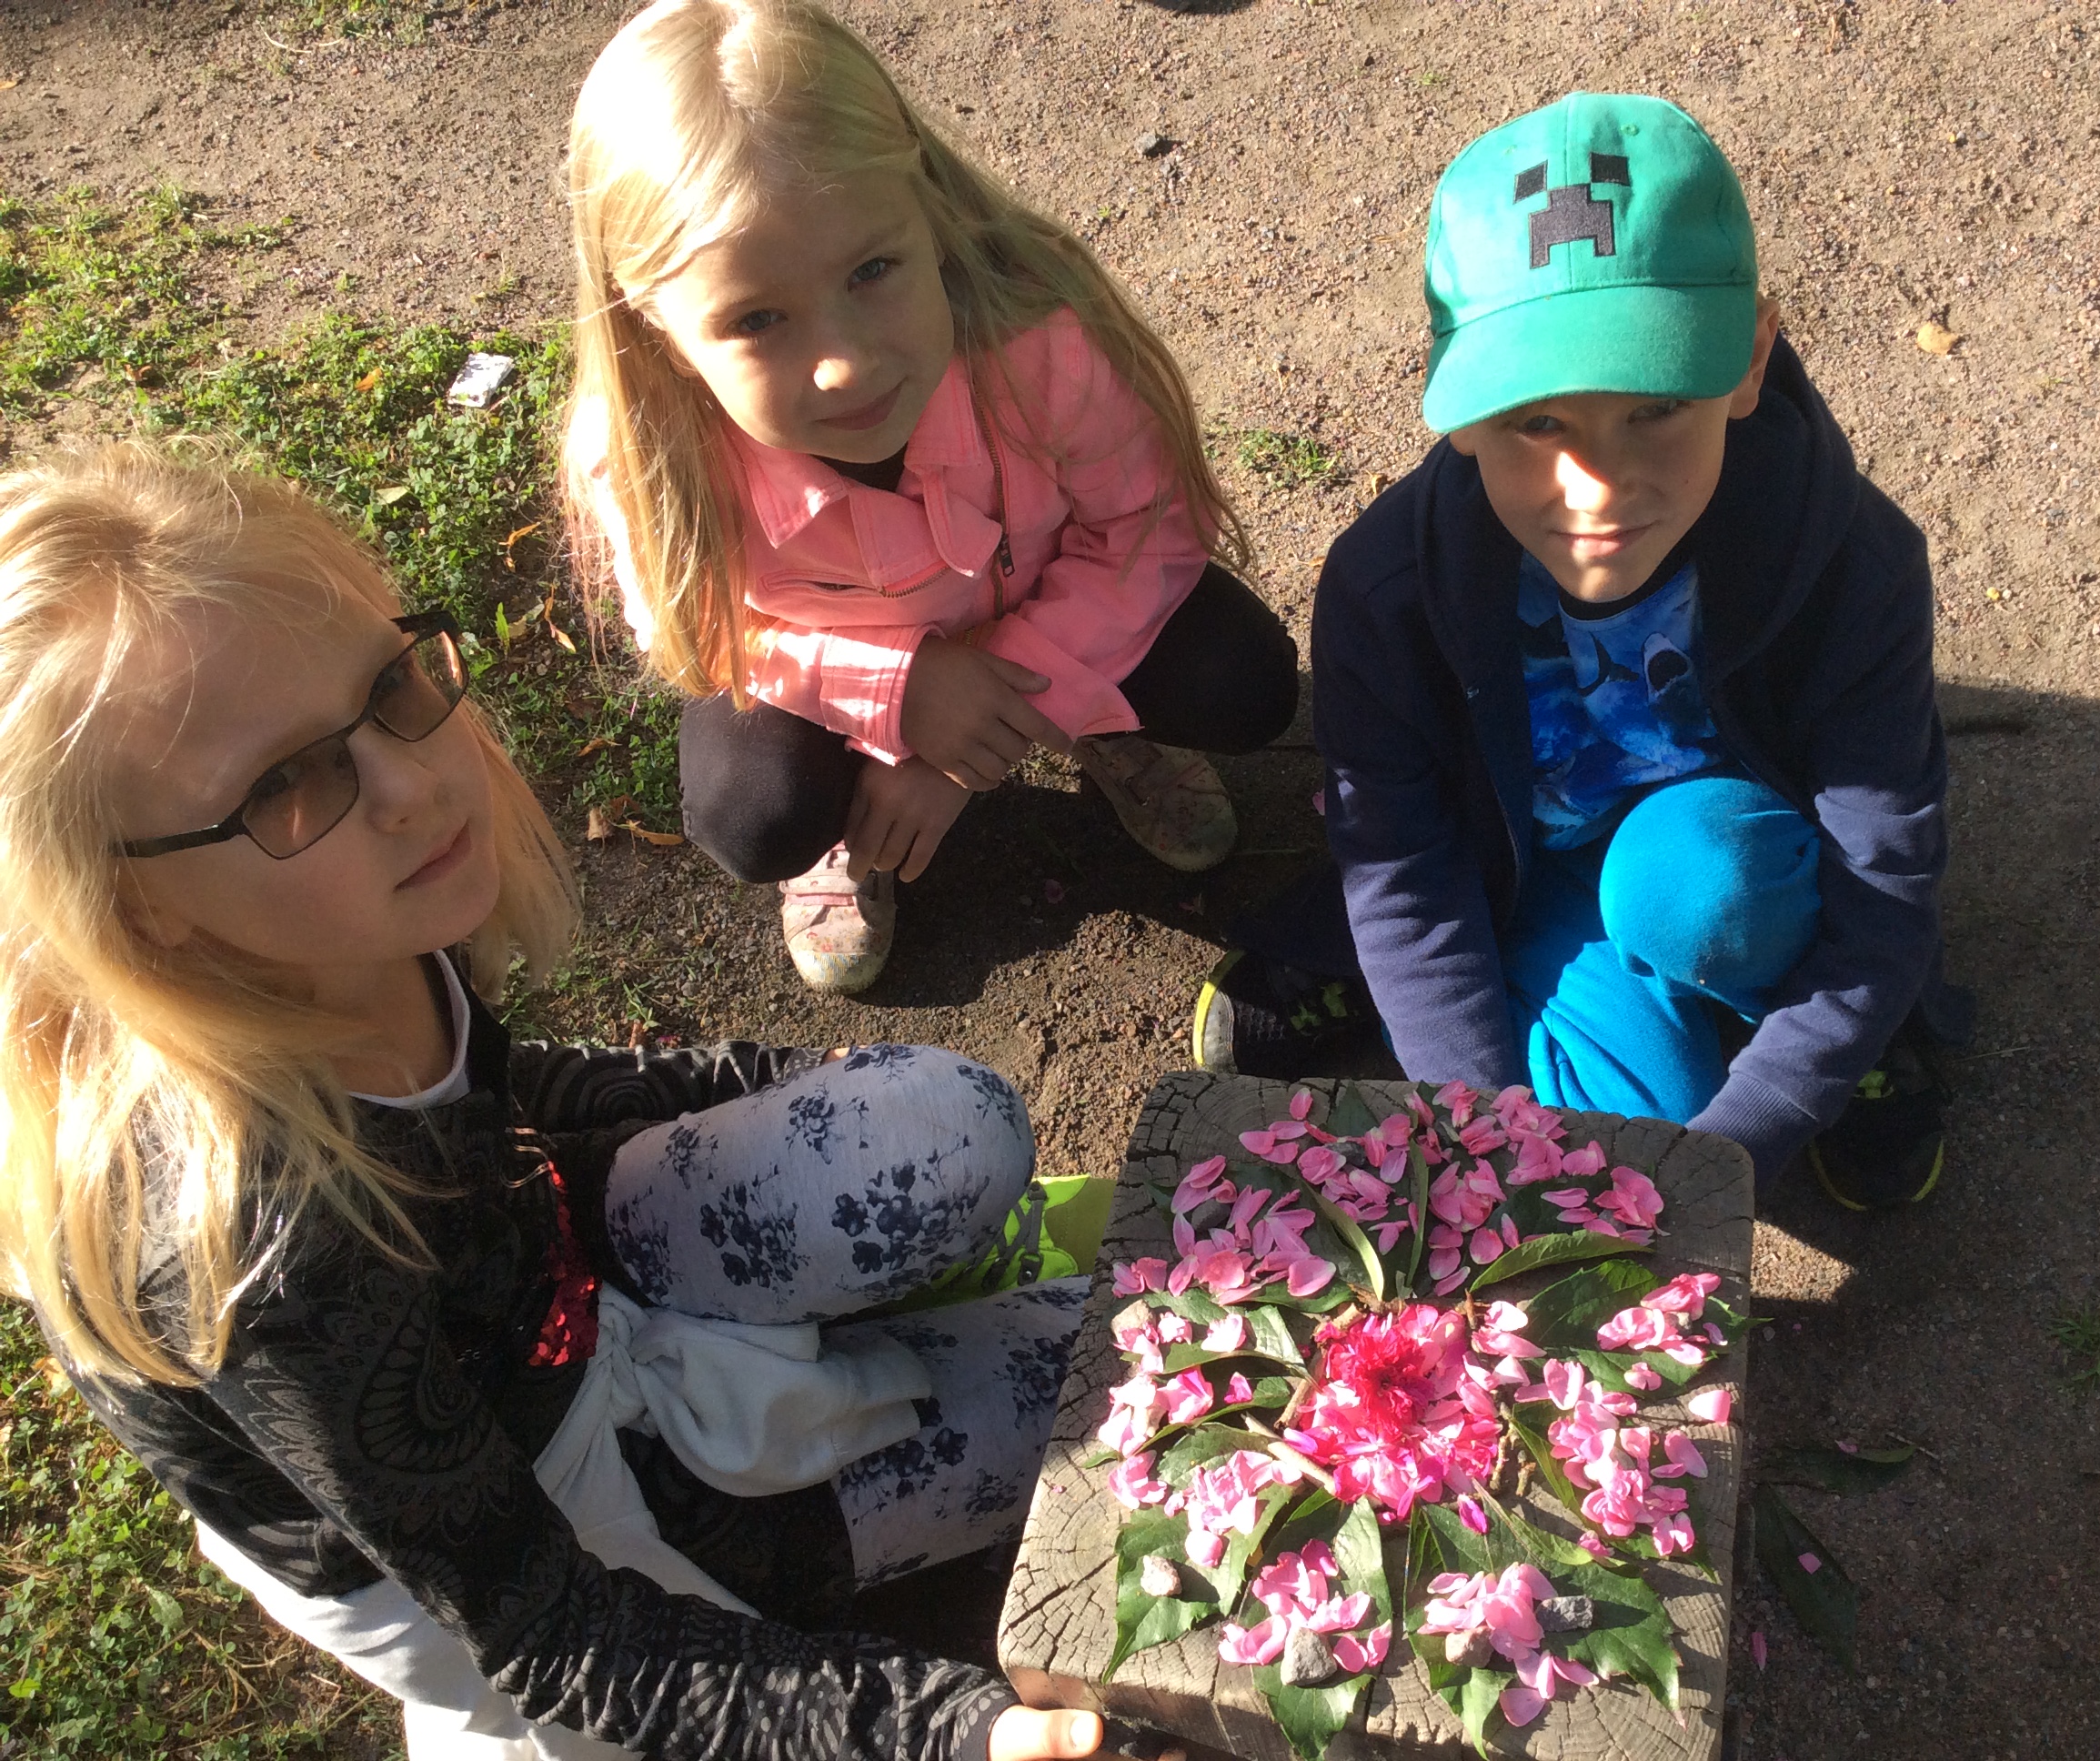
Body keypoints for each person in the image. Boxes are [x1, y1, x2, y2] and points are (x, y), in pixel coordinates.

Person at [0, 444, 1117, 1761]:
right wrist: (950, 1728)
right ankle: (735, 1552)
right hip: (517, 1543)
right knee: (1109, 1400)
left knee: (950, 1142)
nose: (414, 786)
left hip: (552, 1303)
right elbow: (550, 1631)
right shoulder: (263, 1247)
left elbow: (499, 1097)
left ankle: (743, 1435)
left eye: (389, 687)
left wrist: (772, 1095)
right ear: (136, 910)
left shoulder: (349, 922)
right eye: (283, 786)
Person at [1199, 94, 1967, 1207]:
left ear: (1749, 359)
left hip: (1727, 858)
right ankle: (1531, 996)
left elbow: (1883, 871)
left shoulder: (1855, 559)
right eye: (1538, 422)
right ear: (1459, 410)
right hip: (1533, 876)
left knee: (1698, 886)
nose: (1597, 488)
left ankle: (1834, 1033)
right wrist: (1486, 1130)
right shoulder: (1383, 589)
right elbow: (1408, 872)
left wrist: (1752, 1136)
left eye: (1655, 408)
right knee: (1609, 1159)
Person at [562, 0, 1298, 995]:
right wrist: (896, 692)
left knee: (1241, 679)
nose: (845, 364)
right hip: (830, 679)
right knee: (754, 810)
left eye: (872, 270)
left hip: (1050, 611)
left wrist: (963, 750)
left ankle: (1101, 726)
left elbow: (1148, 530)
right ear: (657, 325)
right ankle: (844, 826)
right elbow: (694, 624)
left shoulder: (1036, 339)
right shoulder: (647, 444)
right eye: (757, 320)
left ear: (928, 211)